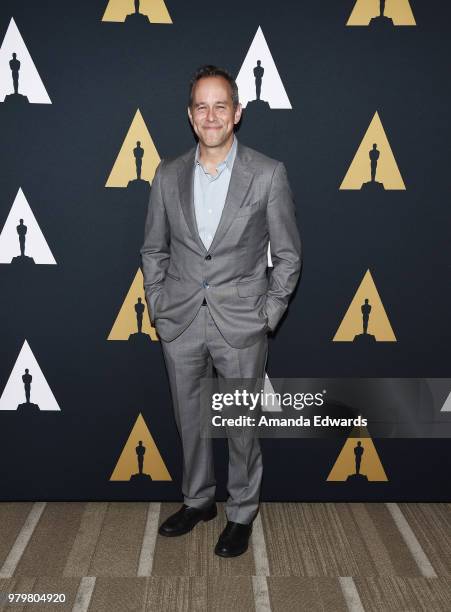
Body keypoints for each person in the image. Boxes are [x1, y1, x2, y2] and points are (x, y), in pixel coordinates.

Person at [140, 65, 302, 557]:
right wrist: (159, 303)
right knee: (189, 418)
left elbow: (288, 255)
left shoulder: (268, 173)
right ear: (191, 117)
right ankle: (198, 501)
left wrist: (266, 314)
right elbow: (154, 250)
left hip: (241, 323)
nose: (211, 115)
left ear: (237, 113)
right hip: (182, 320)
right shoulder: (167, 174)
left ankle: (241, 511)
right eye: (201, 107)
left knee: (240, 425)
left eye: (220, 105)